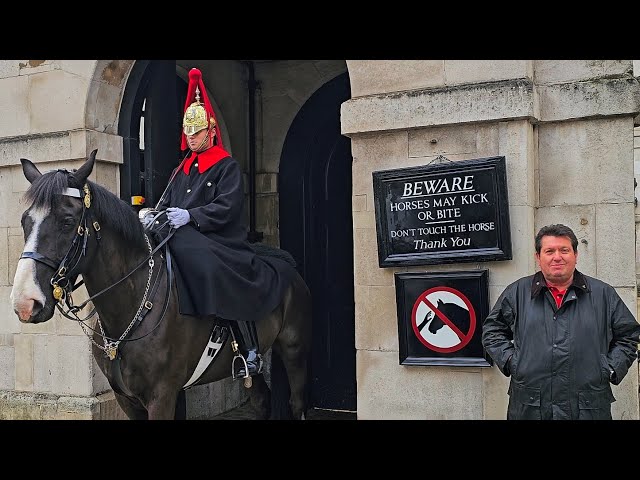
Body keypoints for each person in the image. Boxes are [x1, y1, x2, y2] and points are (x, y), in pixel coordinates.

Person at [152, 67, 295, 380]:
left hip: (220, 239)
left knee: (205, 261)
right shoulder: (182, 168)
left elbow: (228, 207)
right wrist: (153, 213)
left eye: (197, 132)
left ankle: (249, 347)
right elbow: (166, 200)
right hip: (181, 234)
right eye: (187, 132)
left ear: (211, 131)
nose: (191, 137)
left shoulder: (225, 166)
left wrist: (192, 216)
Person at [482, 223, 640, 420]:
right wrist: (514, 363)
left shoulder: (603, 293)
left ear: (575, 254)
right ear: (538, 257)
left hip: (587, 406)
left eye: (564, 250)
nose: (557, 256)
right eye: (549, 251)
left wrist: (608, 368)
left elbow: (628, 336)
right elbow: (492, 331)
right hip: (531, 406)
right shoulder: (517, 292)